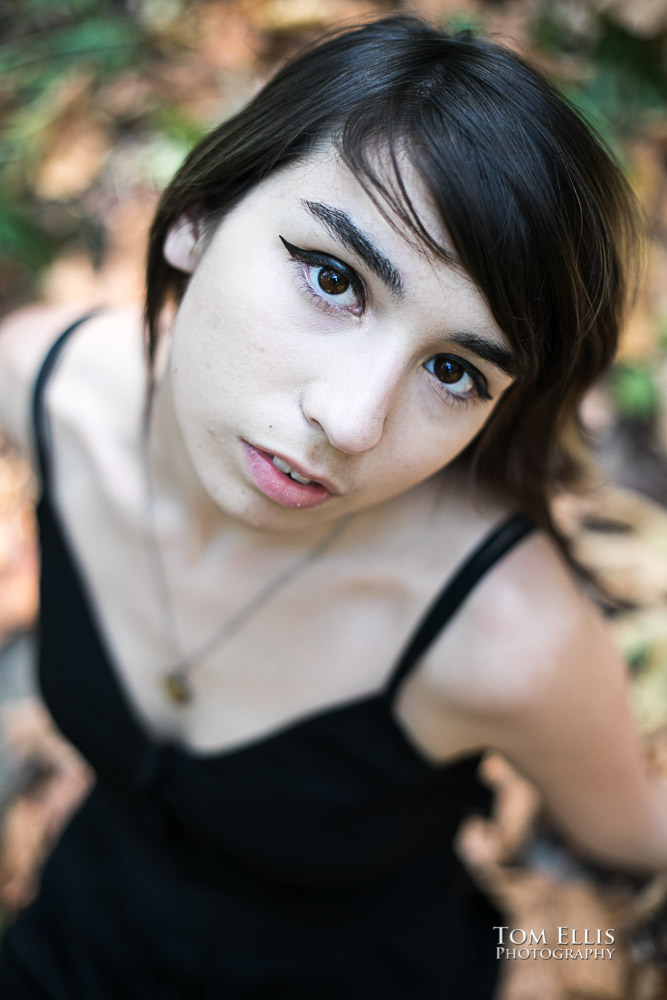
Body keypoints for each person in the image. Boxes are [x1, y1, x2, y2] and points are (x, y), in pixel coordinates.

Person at [0, 13, 664, 999]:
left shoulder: (505, 639)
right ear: (197, 219)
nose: (352, 421)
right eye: (332, 277)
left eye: (452, 370)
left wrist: (560, 958)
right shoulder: (41, 385)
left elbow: (630, 830)